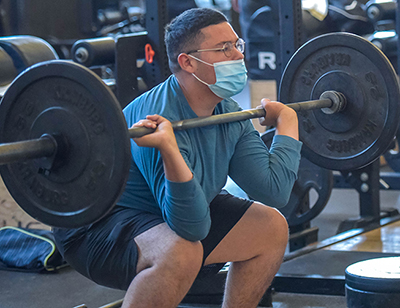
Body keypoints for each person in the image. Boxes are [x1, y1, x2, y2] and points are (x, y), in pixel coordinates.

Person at [53, 7, 302, 308]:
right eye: (224, 48)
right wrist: (169, 149)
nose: (238, 55)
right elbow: (192, 228)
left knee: (271, 229)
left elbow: (273, 190)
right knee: (182, 252)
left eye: (237, 45)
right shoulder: (154, 121)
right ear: (188, 62)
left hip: (165, 213)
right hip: (95, 226)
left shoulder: (229, 113)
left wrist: (288, 123)